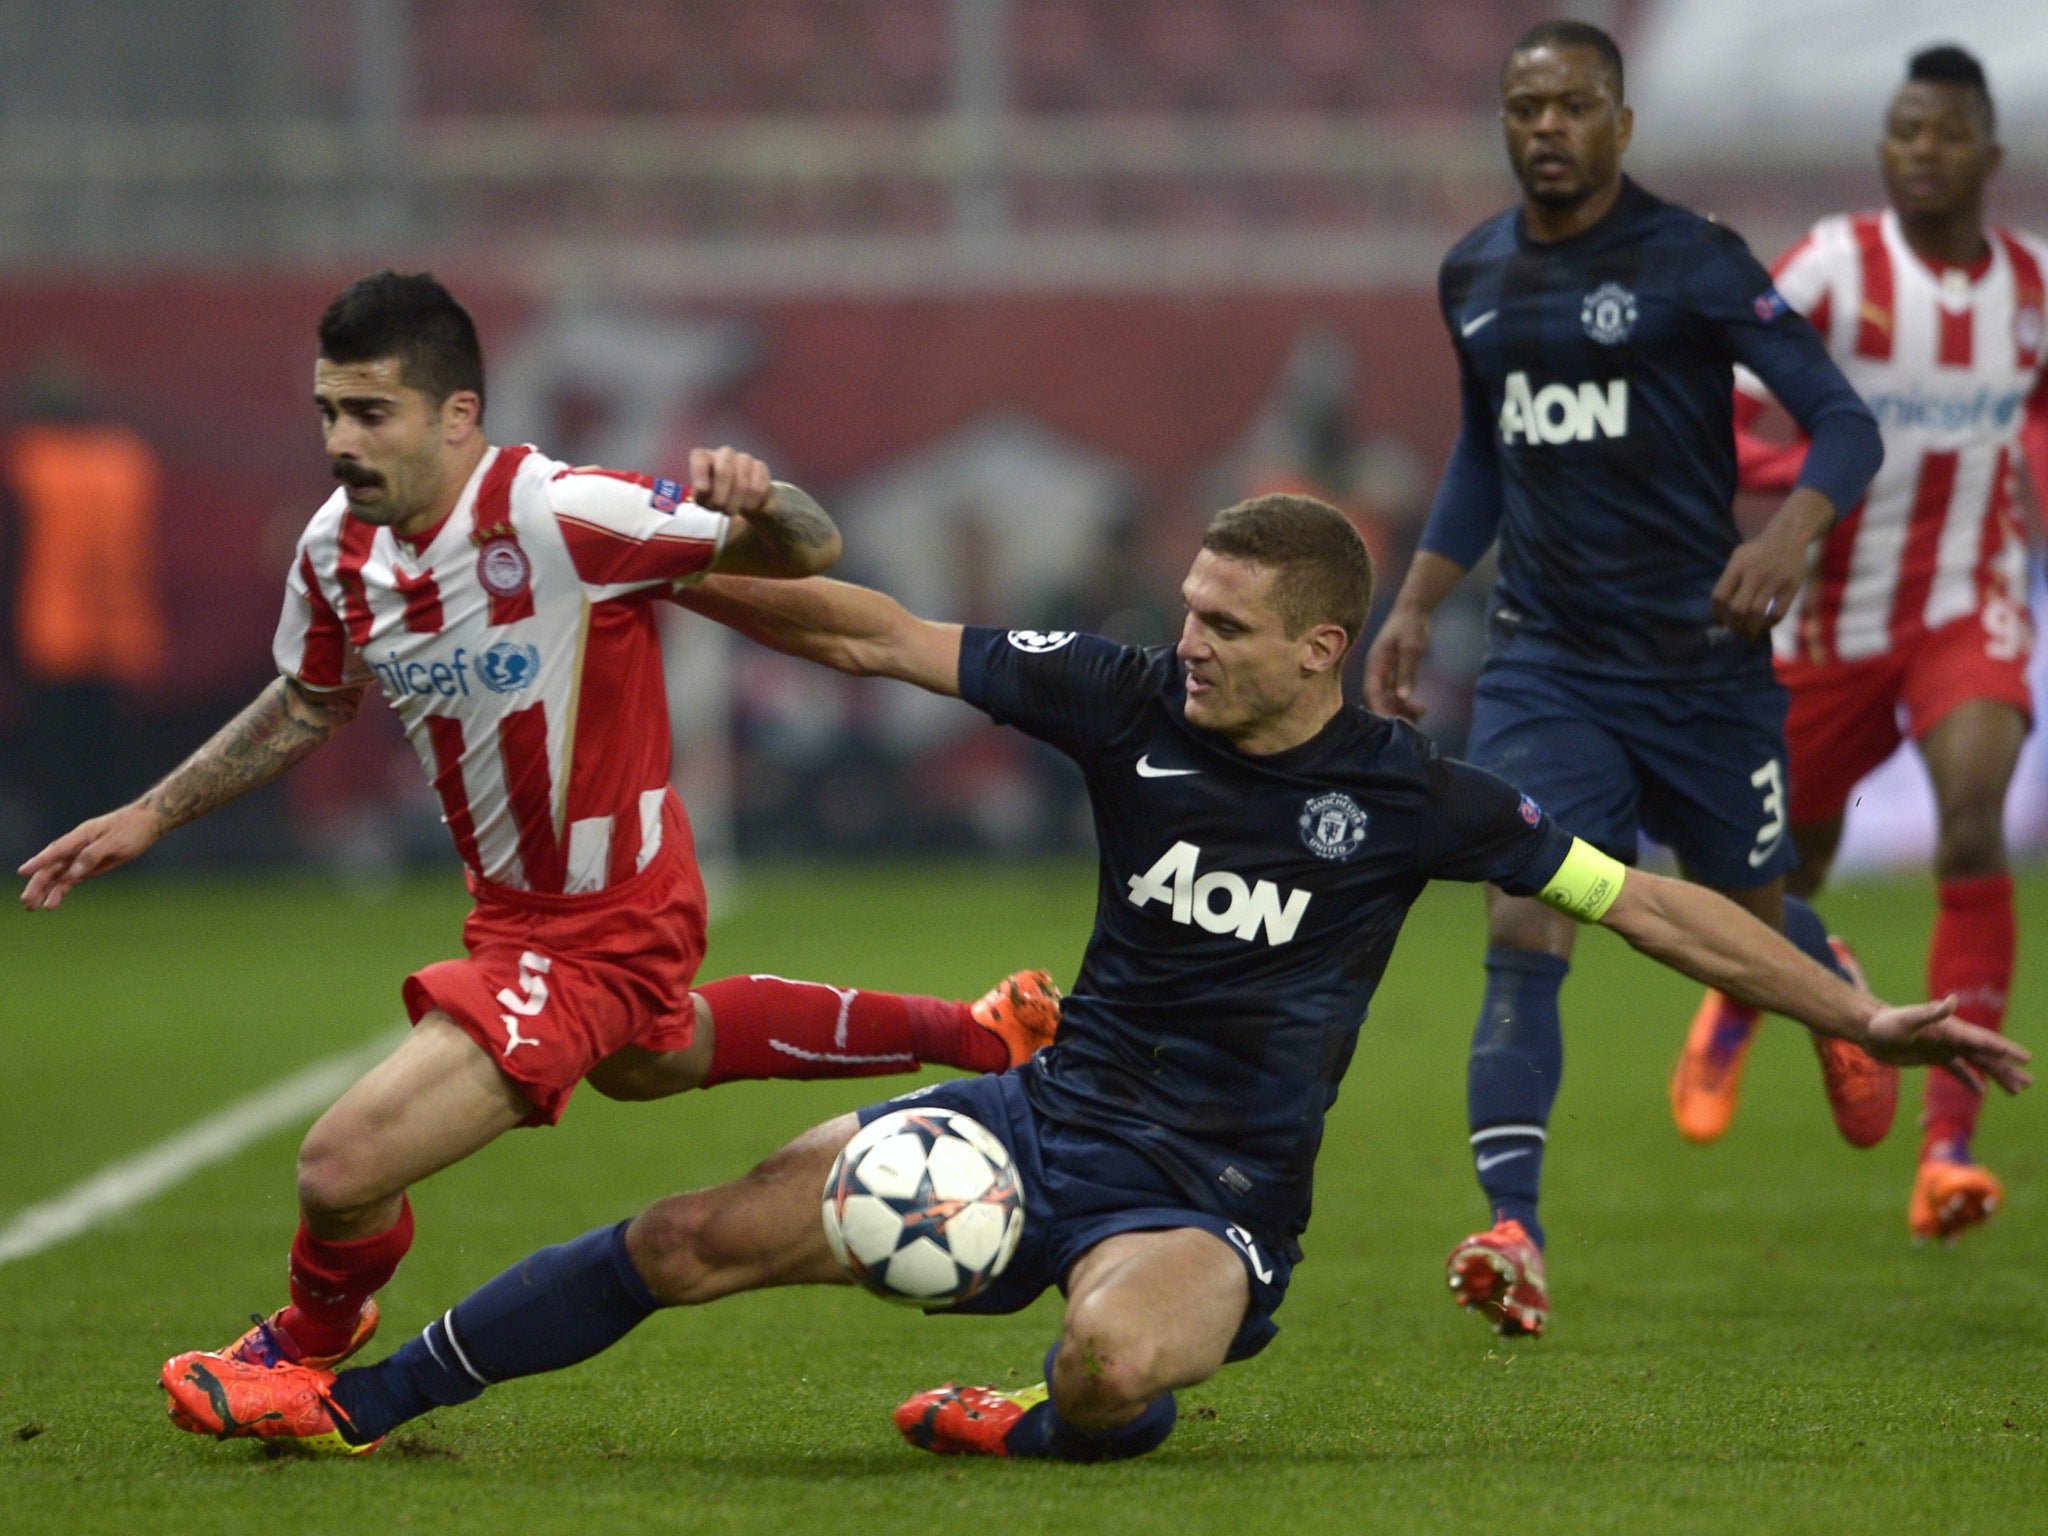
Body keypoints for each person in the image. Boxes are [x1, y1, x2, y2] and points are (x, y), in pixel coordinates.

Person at [159, 493, 2028, 1462]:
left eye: (1223, 625)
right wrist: (644, 575)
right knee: (684, 1237)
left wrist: (1844, 1007)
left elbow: (1648, 907)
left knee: (1115, 1364)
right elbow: (882, 633)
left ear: (1319, 643)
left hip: (1210, 1206)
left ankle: (1035, 1427)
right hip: (1037, 1115)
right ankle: (361, 1397)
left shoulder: (1416, 797)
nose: (1184, 640)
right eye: (1185, 613)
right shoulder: (1120, 699)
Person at [17, 271, 1058, 1379]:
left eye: (372, 413)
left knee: (341, 1165)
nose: (341, 440)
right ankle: (979, 1034)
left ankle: (307, 1355)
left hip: (604, 912)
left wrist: (762, 502)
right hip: (513, 906)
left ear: (457, 414)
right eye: (329, 411)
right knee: (654, 1059)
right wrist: (152, 810)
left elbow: (804, 552)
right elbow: (313, 697)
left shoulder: (563, 512)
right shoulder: (335, 548)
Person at [1363, 19, 1891, 1336]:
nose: (1547, 128)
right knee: (1526, 921)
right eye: (1526, 107)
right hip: (1546, 666)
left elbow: (1842, 418)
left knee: (1746, 922)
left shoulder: (1690, 260)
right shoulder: (1473, 272)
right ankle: (1515, 1233)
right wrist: (1420, 598)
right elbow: (1487, 450)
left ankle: (1829, 985)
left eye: (1574, 106)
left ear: (1621, 124)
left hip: (1703, 666)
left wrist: (1784, 535)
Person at [1668, 45, 2047, 1243]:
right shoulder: (1836, 264)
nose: (1918, 152)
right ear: (1882, 149)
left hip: (1963, 606)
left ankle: (1946, 1151)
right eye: (1901, 132)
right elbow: (1721, 394)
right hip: (1827, 617)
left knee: (1975, 820)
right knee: (1778, 871)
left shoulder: (2029, 293)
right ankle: (1748, 990)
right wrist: (1789, 495)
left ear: (1987, 154)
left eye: (1941, 133)